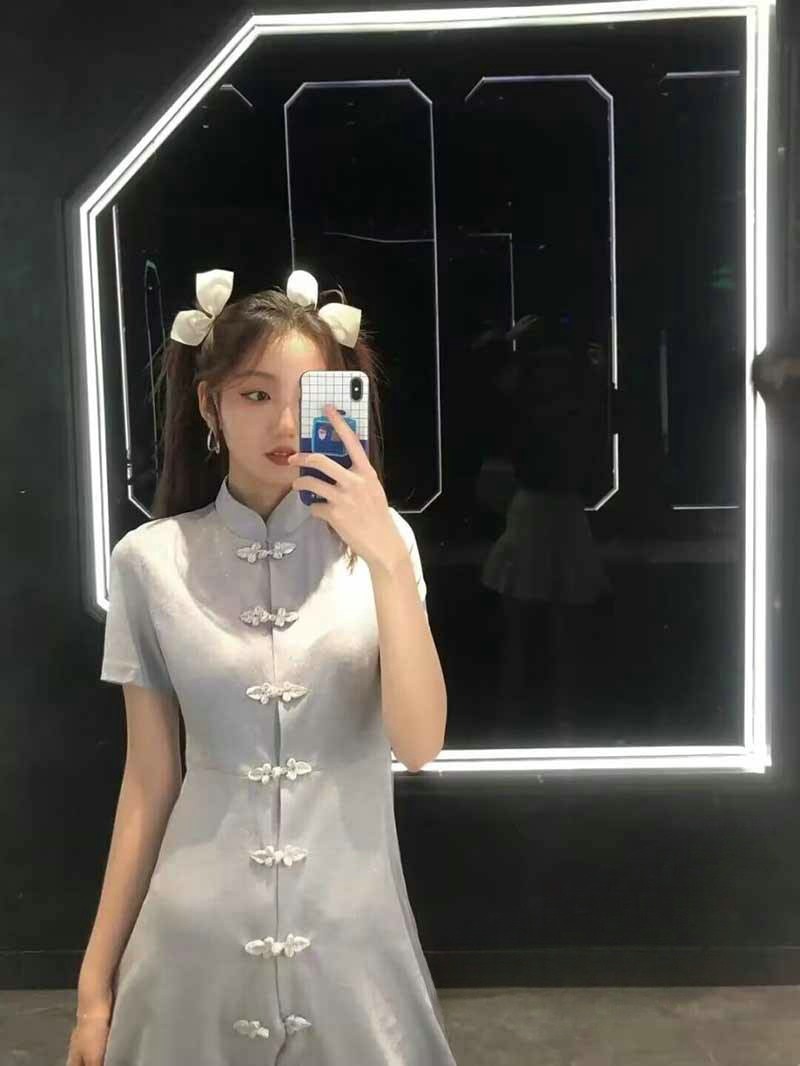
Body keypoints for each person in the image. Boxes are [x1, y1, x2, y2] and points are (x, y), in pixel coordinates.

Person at [67, 268, 456, 1066]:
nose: (284, 422)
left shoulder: (384, 551)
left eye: (310, 397)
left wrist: (385, 555)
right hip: (192, 943)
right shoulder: (149, 561)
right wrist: (94, 986)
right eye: (254, 394)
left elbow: (418, 745)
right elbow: (148, 783)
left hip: (353, 943)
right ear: (210, 406)